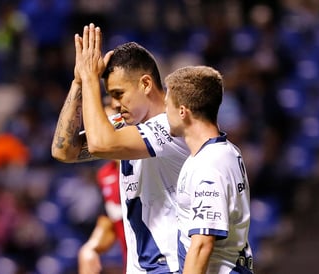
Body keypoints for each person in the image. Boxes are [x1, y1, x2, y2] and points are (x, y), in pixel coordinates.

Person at [51, 23, 189, 273]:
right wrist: (79, 82)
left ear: (146, 84)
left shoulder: (173, 124)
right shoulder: (126, 124)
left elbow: (100, 143)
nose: (114, 105)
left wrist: (91, 78)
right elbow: (64, 151)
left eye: (118, 93)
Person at [164, 65, 254, 274]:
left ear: (182, 111)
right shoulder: (227, 151)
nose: (164, 111)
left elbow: (203, 244)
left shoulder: (209, 164)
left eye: (166, 104)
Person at [78, 160, 126, 274]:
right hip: (134, 264)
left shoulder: (153, 163)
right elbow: (109, 217)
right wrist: (91, 247)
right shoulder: (105, 173)